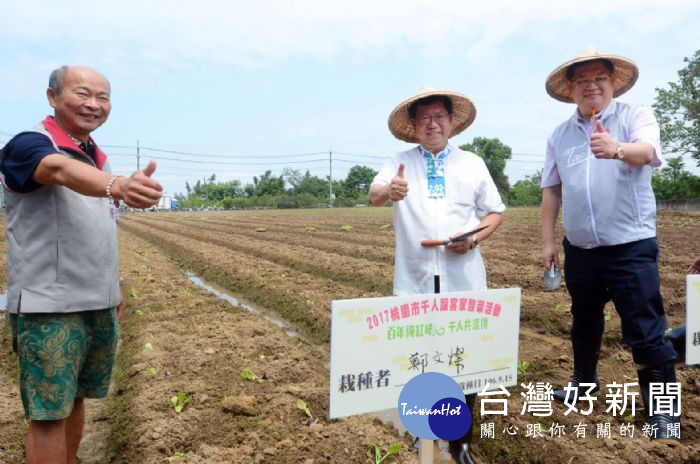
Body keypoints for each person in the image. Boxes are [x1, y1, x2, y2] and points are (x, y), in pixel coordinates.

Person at [0, 65, 162, 464]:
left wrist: (114, 284)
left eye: (102, 97)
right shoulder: (29, 145)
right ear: (52, 97)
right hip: (48, 308)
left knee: (74, 401)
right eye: (82, 94)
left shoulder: (96, 158)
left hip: (96, 301)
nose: (94, 104)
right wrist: (118, 186)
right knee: (47, 415)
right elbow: (57, 170)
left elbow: (95, 228)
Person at [540, 47, 680, 445]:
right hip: (580, 250)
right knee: (584, 322)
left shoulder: (634, 116)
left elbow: (648, 153)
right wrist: (549, 241)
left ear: (612, 81)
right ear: (570, 89)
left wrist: (616, 149)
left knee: (646, 329)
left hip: (630, 247)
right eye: (581, 80)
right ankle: (584, 385)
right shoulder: (560, 135)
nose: (591, 86)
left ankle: (664, 411)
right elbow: (551, 190)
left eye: (599, 77)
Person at [369, 87, 505, 464]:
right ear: (413, 126)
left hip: (464, 279)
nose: (432, 124)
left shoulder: (472, 164)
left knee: (466, 363)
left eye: (439, 117)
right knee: (421, 361)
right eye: (424, 118)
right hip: (415, 279)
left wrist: (473, 239)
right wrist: (389, 191)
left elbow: (494, 213)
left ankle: (460, 443)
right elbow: (374, 194)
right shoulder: (398, 162)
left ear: (451, 122)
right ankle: (423, 434)